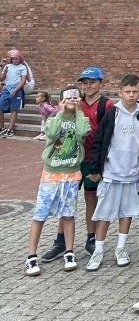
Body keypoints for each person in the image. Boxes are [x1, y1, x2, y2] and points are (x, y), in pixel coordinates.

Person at [41, 66, 112, 262]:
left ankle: (91, 238)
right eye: (85, 83)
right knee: (65, 201)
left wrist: (101, 162)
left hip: (92, 159)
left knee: (91, 198)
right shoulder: (73, 102)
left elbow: (107, 134)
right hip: (71, 159)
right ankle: (60, 241)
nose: (88, 86)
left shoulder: (105, 105)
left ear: (100, 83)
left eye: (92, 82)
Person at [85, 73, 139, 271]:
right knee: (105, 213)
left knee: (126, 212)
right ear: (120, 92)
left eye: (135, 91)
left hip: (132, 174)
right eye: (127, 91)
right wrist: (95, 168)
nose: (131, 95)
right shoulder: (112, 113)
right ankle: (98, 250)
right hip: (112, 173)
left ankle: (121, 248)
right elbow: (99, 141)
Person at [25, 86, 90, 276]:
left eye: (75, 97)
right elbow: (52, 135)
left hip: (71, 173)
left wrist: (79, 112)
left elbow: (83, 133)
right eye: (68, 97)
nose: (71, 100)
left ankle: (69, 252)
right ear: (60, 100)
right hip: (52, 174)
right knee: (40, 214)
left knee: (68, 214)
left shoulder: (80, 118)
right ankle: (31, 256)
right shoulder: (54, 118)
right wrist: (60, 113)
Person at [0, 47, 31, 137]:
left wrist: (15, 89)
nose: (14, 60)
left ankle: (10, 129)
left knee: (14, 110)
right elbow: (1, 78)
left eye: (16, 58)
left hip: (17, 90)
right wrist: (1, 67)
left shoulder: (22, 67)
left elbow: (23, 81)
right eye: (13, 58)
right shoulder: (7, 66)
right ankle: (2, 127)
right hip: (7, 89)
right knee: (0, 107)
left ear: (20, 58)